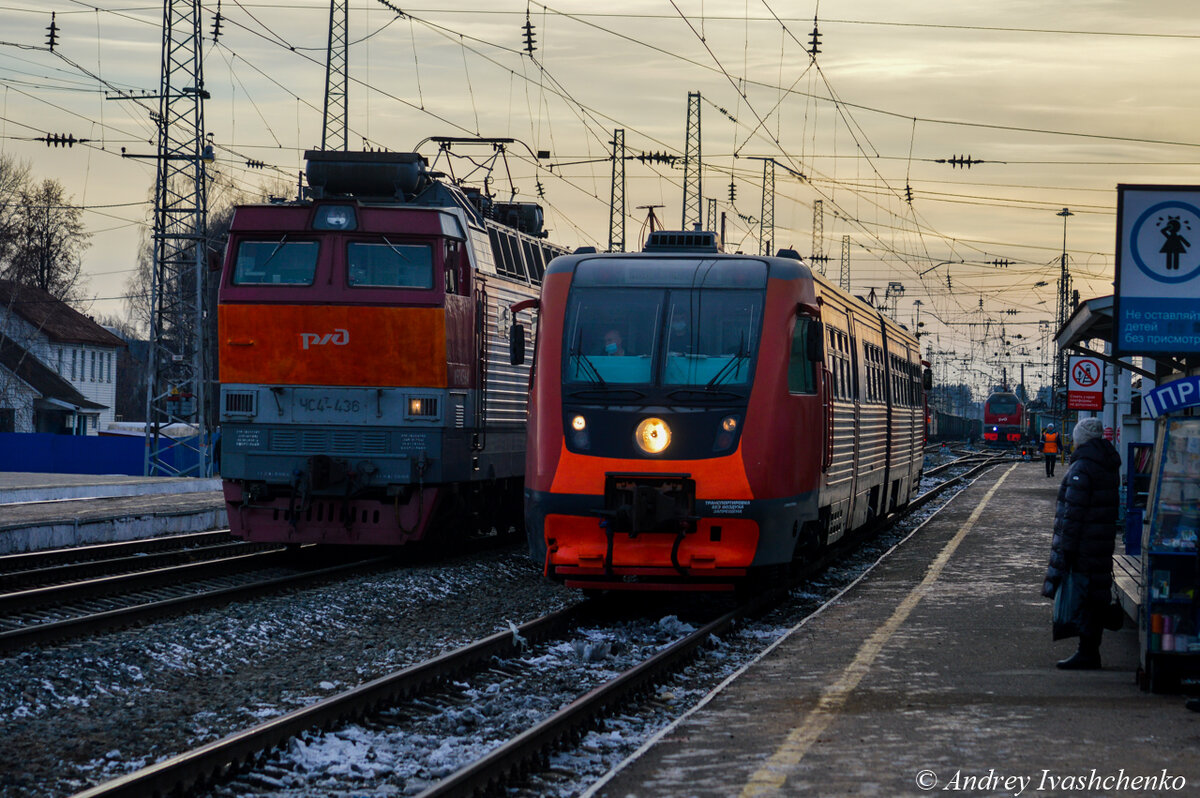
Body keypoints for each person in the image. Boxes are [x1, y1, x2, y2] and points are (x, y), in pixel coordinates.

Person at [1041, 416, 1122, 670]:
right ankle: (1089, 650)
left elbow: (1073, 513)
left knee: (1085, 596)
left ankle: (1087, 653)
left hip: (1084, 544)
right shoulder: (1106, 463)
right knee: (1095, 595)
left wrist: (1067, 549)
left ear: (1080, 439)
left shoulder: (1083, 467)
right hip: (1100, 541)